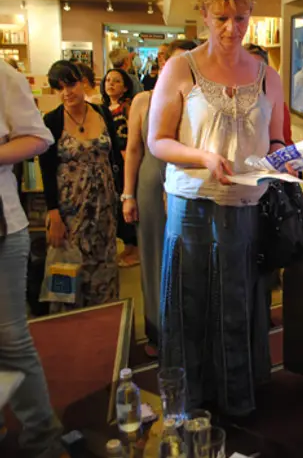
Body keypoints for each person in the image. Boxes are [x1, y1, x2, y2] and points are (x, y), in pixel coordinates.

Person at [147, 0, 288, 416]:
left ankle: (236, 395)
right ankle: (189, 399)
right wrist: (203, 157)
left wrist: (283, 161)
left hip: (246, 204)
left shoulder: (268, 76)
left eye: (241, 18)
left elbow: (277, 140)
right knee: (190, 302)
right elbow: (157, 141)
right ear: (204, 15)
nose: (233, 28)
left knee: (238, 301)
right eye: (222, 17)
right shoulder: (180, 68)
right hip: (192, 204)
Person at [0, 59, 70, 458]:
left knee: (10, 337)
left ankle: (42, 438)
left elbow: (38, 138)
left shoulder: (3, 76)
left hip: (3, 226)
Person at [122, 39, 198, 358]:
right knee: (154, 258)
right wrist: (128, 194)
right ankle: (157, 331)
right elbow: (133, 150)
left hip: (189, 188)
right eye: (172, 61)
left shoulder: (200, 101)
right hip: (151, 188)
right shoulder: (143, 100)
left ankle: (189, 332)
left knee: (190, 259)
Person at [39, 60, 124, 311]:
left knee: (103, 266)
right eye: (59, 88)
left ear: (83, 83)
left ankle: (104, 319)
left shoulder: (102, 113)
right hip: (69, 210)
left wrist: (123, 196)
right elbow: (46, 169)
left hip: (104, 208)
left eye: (71, 85)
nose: (67, 92)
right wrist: (53, 212)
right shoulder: (52, 121)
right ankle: (64, 323)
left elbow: (115, 159)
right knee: (66, 267)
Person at [101, 68, 139, 267]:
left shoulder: (128, 107)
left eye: (116, 81)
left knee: (128, 201)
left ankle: (135, 248)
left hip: (126, 160)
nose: (111, 84)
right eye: (108, 80)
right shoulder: (101, 108)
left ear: (125, 87)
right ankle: (127, 246)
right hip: (111, 162)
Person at [245, 43, 293, 146]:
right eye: (248, 67)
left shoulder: (277, 105)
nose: (255, 75)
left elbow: (285, 142)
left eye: (260, 70)